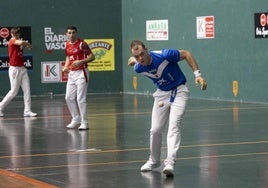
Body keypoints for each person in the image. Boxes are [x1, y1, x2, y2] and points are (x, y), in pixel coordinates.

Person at [128, 40, 207, 176]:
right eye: (137, 57)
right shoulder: (139, 67)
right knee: (155, 129)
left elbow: (187, 54)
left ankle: (170, 162)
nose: (140, 58)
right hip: (161, 95)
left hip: (180, 90)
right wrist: (133, 61)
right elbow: (134, 62)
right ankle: (154, 161)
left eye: (142, 54)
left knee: (174, 125)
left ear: (147, 49)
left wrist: (198, 75)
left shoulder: (164, 55)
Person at [62, 26, 95, 130]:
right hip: (72, 74)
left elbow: (92, 56)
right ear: (66, 34)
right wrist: (66, 66)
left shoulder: (82, 44)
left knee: (81, 99)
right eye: (69, 33)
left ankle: (84, 122)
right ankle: (76, 118)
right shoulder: (66, 44)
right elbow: (68, 57)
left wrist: (81, 61)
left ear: (76, 33)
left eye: (73, 33)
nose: (71, 35)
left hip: (82, 73)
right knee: (68, 97)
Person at [0, 27, 37, 117]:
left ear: (19, 34)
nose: (15, 35)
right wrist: (28, 44)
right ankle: (0, 107)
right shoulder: (12, 41)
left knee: (27, 90)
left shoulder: (19, 41)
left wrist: (26, 45)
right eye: (14, 34)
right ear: (11, 34)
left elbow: (21, 44)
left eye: (17, 34)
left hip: (22, 69)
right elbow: (21, 43)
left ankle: (27, 111)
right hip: (14, 69)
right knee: (13, 91)